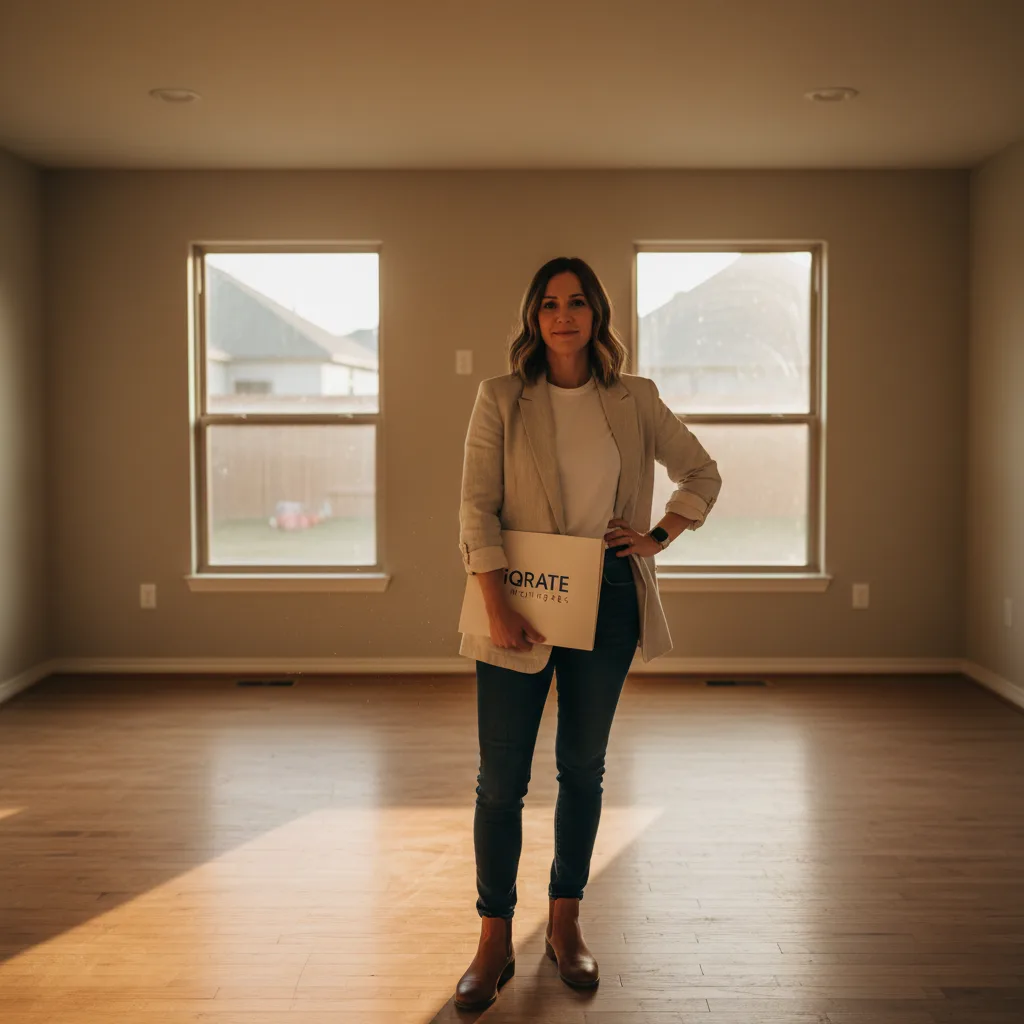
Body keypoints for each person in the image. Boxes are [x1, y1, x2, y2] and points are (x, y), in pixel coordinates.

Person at [454, 256, 722, 1011]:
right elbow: (476, 508)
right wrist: (496, 601)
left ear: (597, 315)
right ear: (533, 319)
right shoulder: (501, 398)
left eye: (576, 303)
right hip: (517, 595)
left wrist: (659, 533)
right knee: (500, 780)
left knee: (584, 767)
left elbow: (700, 472)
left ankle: (565, 922)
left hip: (603, 597)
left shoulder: (634, 398)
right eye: (548, 305)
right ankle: (493, 935)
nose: (563, 316)